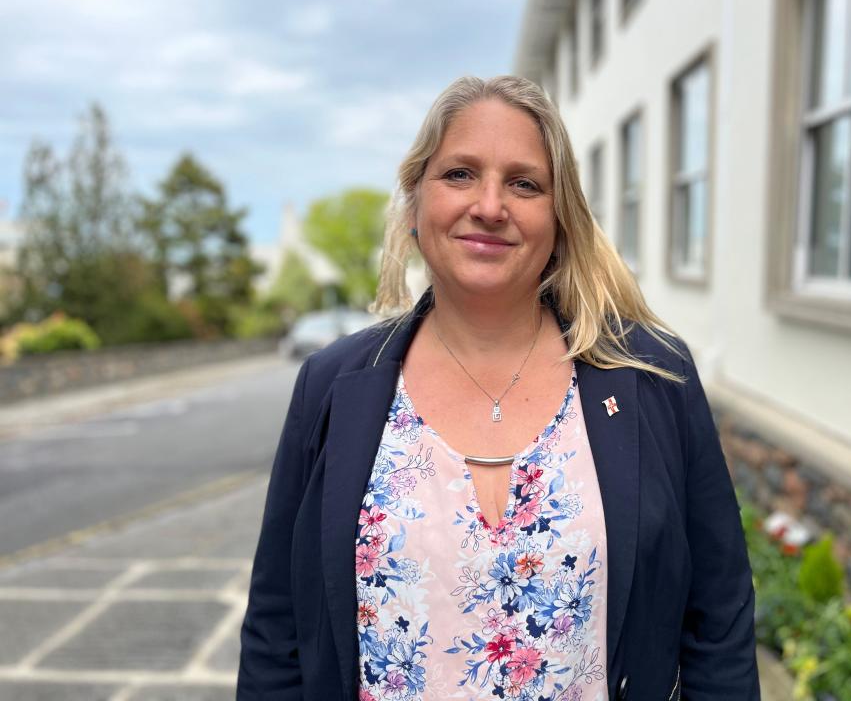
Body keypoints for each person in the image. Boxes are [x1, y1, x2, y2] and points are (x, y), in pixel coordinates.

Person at [238, 75, 759, 701]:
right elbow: (278, 630)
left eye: (524, 183)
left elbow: (719, 615)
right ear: (413, 205)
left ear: (560, 218)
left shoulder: (651, 377)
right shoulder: (332, 387)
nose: (489, 205)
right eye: (459, 174)